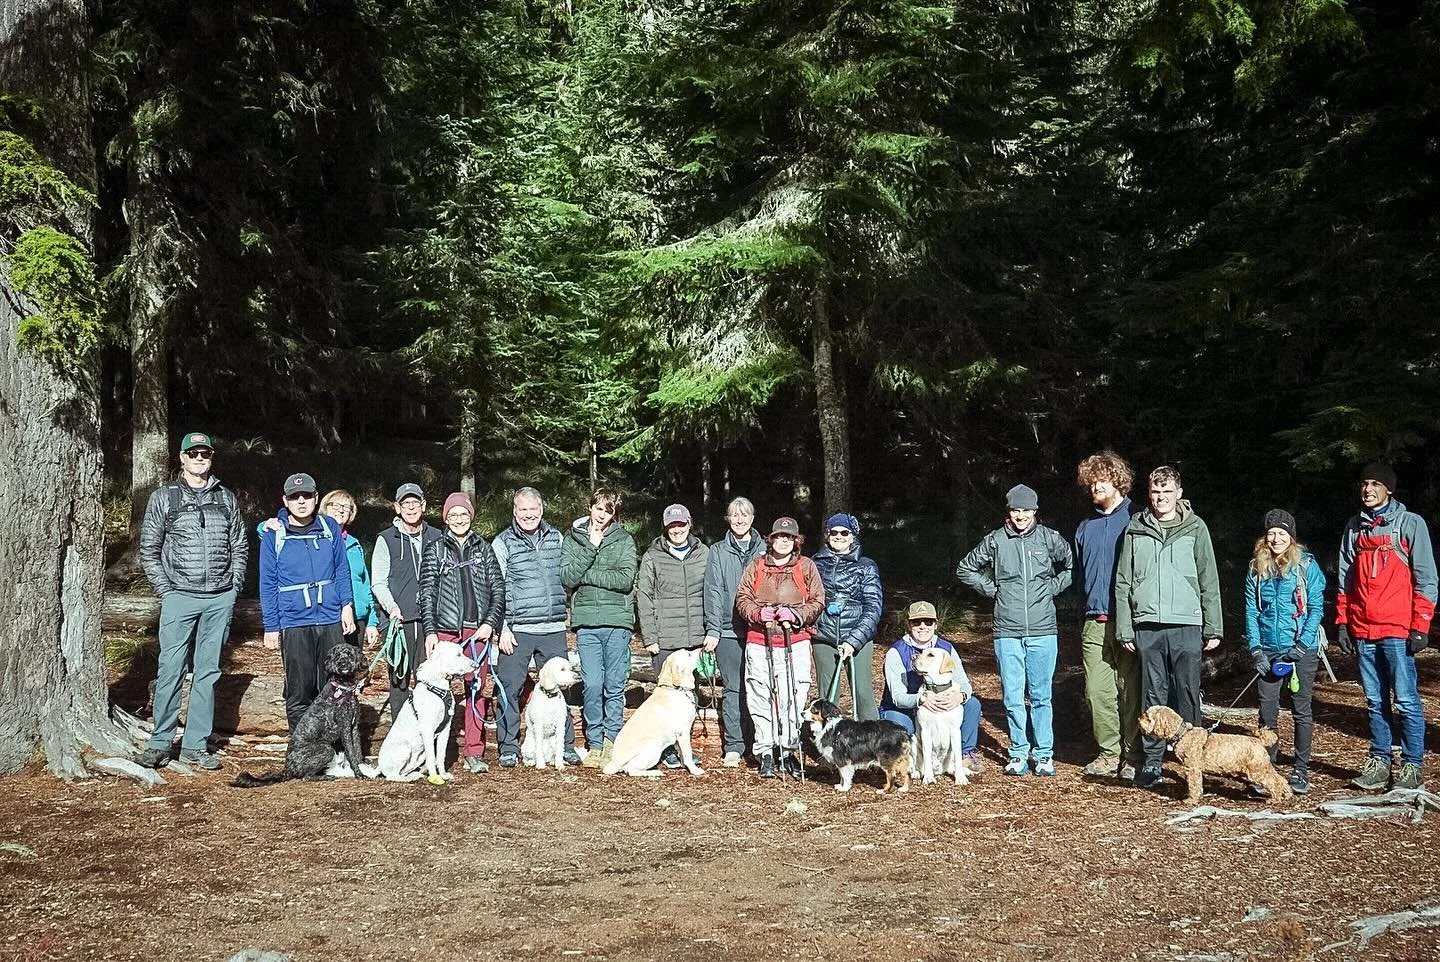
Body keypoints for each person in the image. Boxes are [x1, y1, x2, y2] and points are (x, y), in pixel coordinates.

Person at [135, 431, 247, 770]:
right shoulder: (164, 497)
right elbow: (149, 549)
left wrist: (233, 588)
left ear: (211, 458)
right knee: (170, 669)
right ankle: (160, 742)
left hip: (219, 598)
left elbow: (239, 545)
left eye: (205, 453)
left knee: (207, 672)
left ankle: (195, 745)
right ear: (182, 458)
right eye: (193, 453)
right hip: (179, 597)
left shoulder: (226, 498)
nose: (199, 458)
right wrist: (166, 590)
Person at [1114, 465, 1222, 791]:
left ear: (1179, 493)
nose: (1161, 498)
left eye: (1167, 491)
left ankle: (1195, 761)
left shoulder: (1195, 527)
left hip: (1187, 622)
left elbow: (1208, 578)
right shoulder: (1136, 528)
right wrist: (1125, 627)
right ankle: (1152, 762)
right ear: (1149, 494)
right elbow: (1124, 581)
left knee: (1187, 692)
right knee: (1152, 693)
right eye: (1155, 492)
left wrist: (1213, 625)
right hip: (1148, 624)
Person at [956, 484, 1073, 777]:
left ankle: (1043, 754)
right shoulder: (996, 540)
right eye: (1016, 510)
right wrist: (993, 590)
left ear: (1035, 511)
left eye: (1026, 510)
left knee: (1041, 696)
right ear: (1009, 512)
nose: (1021, 516)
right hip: (1007, 631)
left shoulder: (1049, 538)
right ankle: (1019, 752)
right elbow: (965, 568)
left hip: (1043, 629)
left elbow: (1071, 567)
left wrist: (1051, 588)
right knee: (1012, 697)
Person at [1337, 463, 1437, 791]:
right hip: (1363, 629)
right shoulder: (1355, 528)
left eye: (1375, 484)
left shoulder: (1410, 524)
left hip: (1397, 629)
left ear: (1389, 489)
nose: (1368, 490)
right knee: (1374, 700)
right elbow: (1345, 579)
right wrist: (1343, 622)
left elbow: (1427, 578)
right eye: (1364, 483)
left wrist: (1421, 625)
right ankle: (1379, 762)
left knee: (1406, 700)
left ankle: (1412, 766)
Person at [258, 472, 356, 735]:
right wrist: (271, 626)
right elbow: (267, 582)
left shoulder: (329, 527)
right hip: (294, 621)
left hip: (329, 618)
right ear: (285, 500)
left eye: (306, 496)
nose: (301, 501)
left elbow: (341, 568)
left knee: (334, 687)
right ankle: (301, 747)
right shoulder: (274, 534)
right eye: (294, 497)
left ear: (316, 497)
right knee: (299, 691)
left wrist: (346, 605)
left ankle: (332, 747)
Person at [492, 486, 580, 768]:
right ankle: (508, 747)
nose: (528, 515)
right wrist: (502, 627)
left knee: (560, 687)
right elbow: (495, 587)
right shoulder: (503, 542)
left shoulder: (557, 538)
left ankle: (565, 746)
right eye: (523, 510)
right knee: (510, 687)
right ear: (514, 511)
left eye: (533, 509)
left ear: (541, 510)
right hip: (517, 630)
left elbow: (569, 575)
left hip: (553, 626)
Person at [419, 491, 506, 774]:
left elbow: (498, 589)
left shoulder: (484, 548)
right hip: (444, 631)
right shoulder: (435, 549)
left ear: (471, 516)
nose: (458, 519)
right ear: (445, 518)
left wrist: (489, 623)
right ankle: (432, 753)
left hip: (476, 631)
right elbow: (427, 592)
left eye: (463, 514)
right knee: (435, 690)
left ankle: (474, 751)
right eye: (453, 515)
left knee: (476, 689)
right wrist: (430, 631)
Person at [734, 517, 825, 778]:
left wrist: (796, 615)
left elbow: (818, 600)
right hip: (759, 640)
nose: (783, 541)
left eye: (788, 537)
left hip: (795, 641)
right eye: (778, 537)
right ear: (770, 539)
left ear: (796, 541)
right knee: (760, 694)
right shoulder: (757, 565)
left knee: (793, 695)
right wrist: (757, 613)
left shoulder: (806, 566)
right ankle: (765, 750)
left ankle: (787, 749)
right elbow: (742, 597)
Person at [1244, 509, 1325, 796]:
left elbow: (1316, 608)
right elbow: (1251, 611)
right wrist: (1255, 649)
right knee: (1267, 710)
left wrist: (1301, 646)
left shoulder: (1306, 566)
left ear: (1291, 537)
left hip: (1301, 649)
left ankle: (1301, 769)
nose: (1276, 539)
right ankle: (1267, 768)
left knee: (1301, 709)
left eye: (1282, 533)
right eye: (1271, 534)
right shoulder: (1256, 568)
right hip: (1268, 648)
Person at [1073, 451, 1142, 781]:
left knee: (1130, 690)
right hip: (1093, 621)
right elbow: (1078, 577)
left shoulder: (1137, 521)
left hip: (1128, 620)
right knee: (1097, 691)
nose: (1095, 488)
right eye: (1090, 483)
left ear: (1117, 481)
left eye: (1101, 481)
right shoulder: (1085, 527)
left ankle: (1134, 755)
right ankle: (1108, 754)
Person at [560, 489, 639, 769]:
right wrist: (591, 547)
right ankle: (594, 742)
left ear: (614, 514)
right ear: (590, 507)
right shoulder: (574, 537)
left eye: (608, 510)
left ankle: (611, 741)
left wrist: (587, 575)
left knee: (614, 685)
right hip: (586, 623)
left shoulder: (624, 540)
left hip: (617, 621)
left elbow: (625, 579)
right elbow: (568, 576)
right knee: (592, 684)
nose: (601, 514)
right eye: (598, 508)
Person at [636, 503, 710, 767]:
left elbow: (712, 592)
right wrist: (650, 637)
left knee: (690, 697)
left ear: (689, 524)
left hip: (696, 638)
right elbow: (644, 596)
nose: (677, 530)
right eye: (672, 526)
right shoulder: (653, 556)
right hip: (665, 638)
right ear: (665, 528)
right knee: (665, 699)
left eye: (681, 524)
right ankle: (667, 751)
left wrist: (711, 630)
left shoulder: (704, 553)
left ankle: (684, 750)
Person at [368, 483, 444, 721]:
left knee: (430, 678)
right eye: (406, 503)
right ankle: (400, 732)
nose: (411, 508)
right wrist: (391, 607)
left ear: (424, 505)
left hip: (431, 621)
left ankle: (429, 731)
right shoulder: (386, 539)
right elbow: (378, 582)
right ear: (397, 507)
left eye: (415, 503)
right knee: (399, 682)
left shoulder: (437, 536)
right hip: (398, 622)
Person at [702, 497, 767, 767]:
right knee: (733, 689)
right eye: (735, 515)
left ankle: (760, 744)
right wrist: (713, 629)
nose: (740, 520)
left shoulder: (766, 549)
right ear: (728, 519)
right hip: (729, 631)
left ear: (752, 518)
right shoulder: (717, 551)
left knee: (760, 687)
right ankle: (734, 745)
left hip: (760, 630)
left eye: (745, 515)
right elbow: (713, 591)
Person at [880, 601, 982, 770]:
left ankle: (965, 754)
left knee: (972, 704)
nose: (922, 626)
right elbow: (897, 697)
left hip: (935, 704)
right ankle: (904, 759)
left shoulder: (946, 649)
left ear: (935, 625)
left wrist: (960, 696)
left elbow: (964, 684)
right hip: (904, 708)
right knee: (898, 723)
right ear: (909, 625)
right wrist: (921, 699)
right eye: (916, 622)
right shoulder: (896, 652)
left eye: (928, 622)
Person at [811, 512, 882, 721]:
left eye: (844, 532)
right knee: (827, 697)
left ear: (852, 536)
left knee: (863, 694)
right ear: (827, 535)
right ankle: (828, 738)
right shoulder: (815, 563)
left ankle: (872, 738)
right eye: (834, 532)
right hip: (824, 637)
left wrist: (854, 640)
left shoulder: (866, 565)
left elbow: (873, 606)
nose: (839, 536)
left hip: (858, 639)